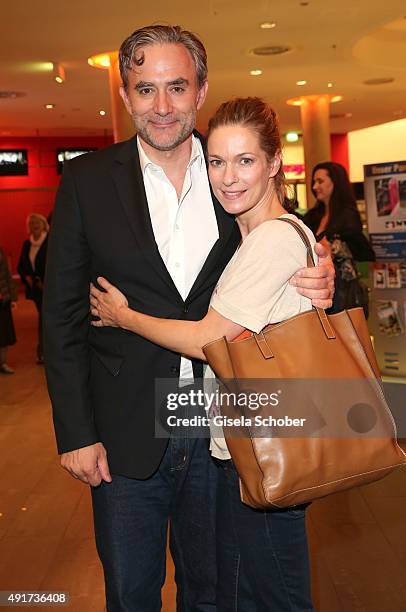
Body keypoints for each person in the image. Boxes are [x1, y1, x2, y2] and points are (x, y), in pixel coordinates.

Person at [43, 25, 333, 612]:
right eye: (144, 89)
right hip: (123, 434)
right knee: (130, 592)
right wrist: (76, 433)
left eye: (176, 87)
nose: (162, 106)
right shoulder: (87, 182)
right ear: (125, 96)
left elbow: (289, 247)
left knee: (215, 592)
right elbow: (62, 317)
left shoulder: (234, 169)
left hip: (223, 429)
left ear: (200, 90)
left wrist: (322, 275)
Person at [90, 96, 316, 611]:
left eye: (245, 160)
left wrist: (126, 317)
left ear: (274, 163)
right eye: (217, 161)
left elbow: (206, 339)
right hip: (251, 448)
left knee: (275, 596)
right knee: (246, 592)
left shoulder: (270, 242)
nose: (229, 177)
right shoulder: (250, 238)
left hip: (269, 452)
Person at [303, 161, 375, 315]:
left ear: (335, 182)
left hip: (344, 292)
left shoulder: (347, 216)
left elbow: (363, 252)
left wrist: (333, 247)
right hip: (319, 291)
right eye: (314, 182)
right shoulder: (312, 216)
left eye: (320, 181)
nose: (315, 187)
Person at [17, 213, 49, 363]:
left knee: (45, 319)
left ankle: (43, 352)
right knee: (43, 319)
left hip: (48, 288)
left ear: (43, 224)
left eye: (37, 222)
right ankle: (43, 351)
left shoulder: (49, 241)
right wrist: (27, 277)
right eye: (32, 223)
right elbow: (21, 267)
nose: (34, 225)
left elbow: (54, 266)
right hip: (35, 290)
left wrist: (45, 281)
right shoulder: (27, 244)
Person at [0, 245, 17, 374]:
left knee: (4, 333)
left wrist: (13, 297)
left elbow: (6, 273)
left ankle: (2, 363)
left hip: (3, 298)